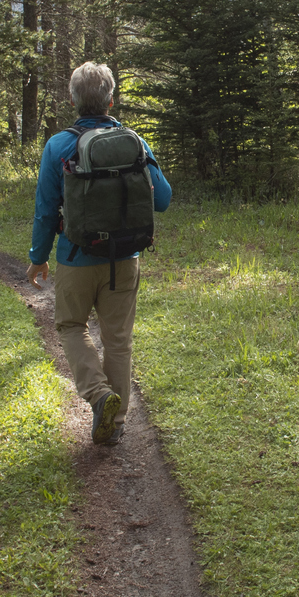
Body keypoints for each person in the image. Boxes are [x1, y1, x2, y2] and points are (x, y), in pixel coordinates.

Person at [29, 62, 172, 445]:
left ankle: (98, 395)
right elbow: (165, 199)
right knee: (118, 340)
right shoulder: (135, 141)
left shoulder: (59, 145)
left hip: (75, 258)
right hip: (125, 258)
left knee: (71, 326)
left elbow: (46, 210)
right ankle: (118, 421)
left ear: (74, 99)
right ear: (111, 99)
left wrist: (37, 256)